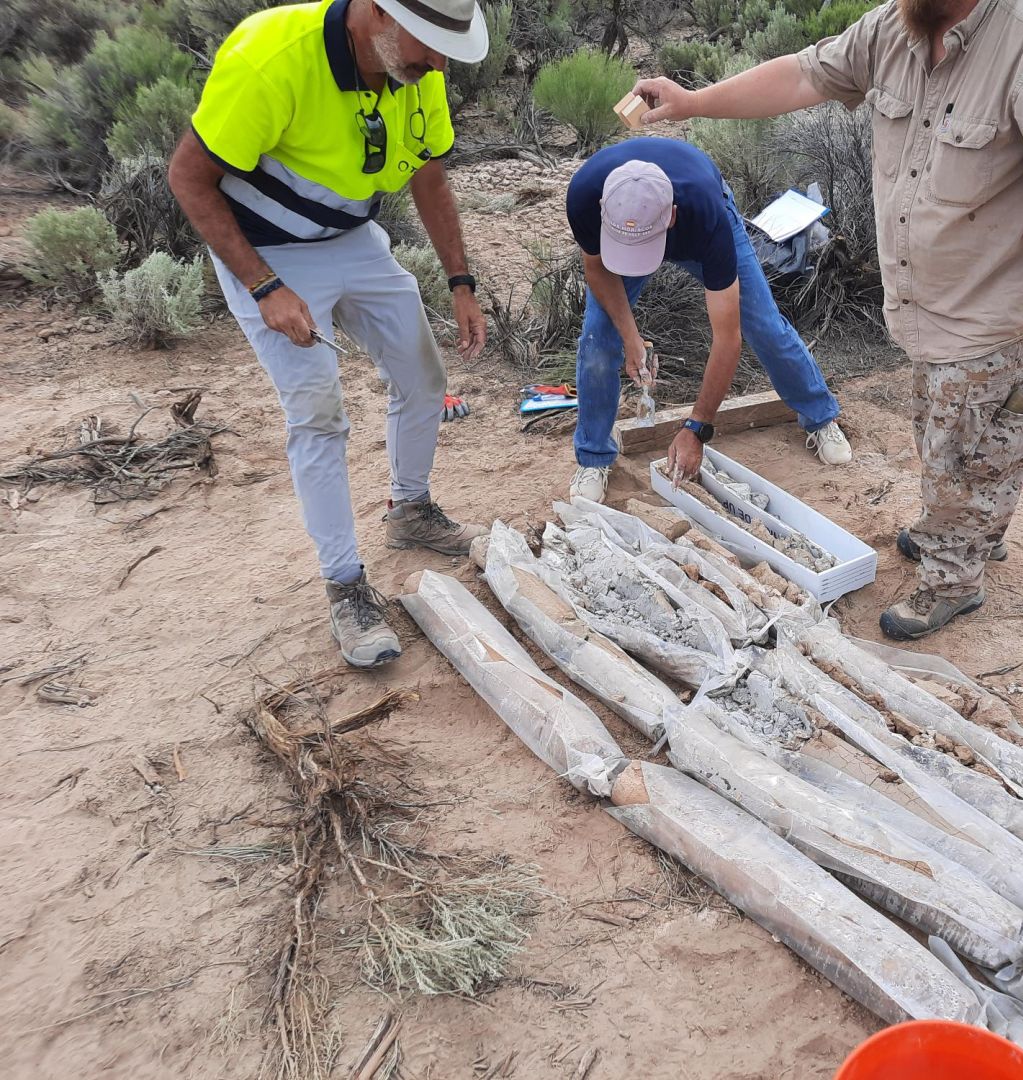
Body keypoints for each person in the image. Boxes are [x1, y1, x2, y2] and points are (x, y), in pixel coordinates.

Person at [632, 0, 1023, 639]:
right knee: (953, 430)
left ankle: (954, 579)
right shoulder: (902, 21)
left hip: (996, 307)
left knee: (968, 447)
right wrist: (695, 101)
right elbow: (805, 75)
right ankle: (972, 531)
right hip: (927, 302)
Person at [169, 0, 490, 668]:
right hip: (267, 251)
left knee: (422, 375)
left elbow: (428, 173)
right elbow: (189, 177)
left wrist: (461, 282)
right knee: (318, 414)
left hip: (352, 237)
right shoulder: (272, 56)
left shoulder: (415, 68)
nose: (437, 65)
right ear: (373, 13)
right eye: (427, 46)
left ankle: (410, 510)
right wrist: (265, 286)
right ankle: (346, 586)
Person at [564, 136, 853, 504]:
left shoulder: (704, 215)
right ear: (604, 208)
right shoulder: (585, 196)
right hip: (623, 229)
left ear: (670, 215)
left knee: (763, 324)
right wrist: (630, 338)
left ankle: (820, 416)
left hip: (698, 217)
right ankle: (592, 457)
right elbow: (598, 270)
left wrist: (697, 427)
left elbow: (727, 336)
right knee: (597, 341)